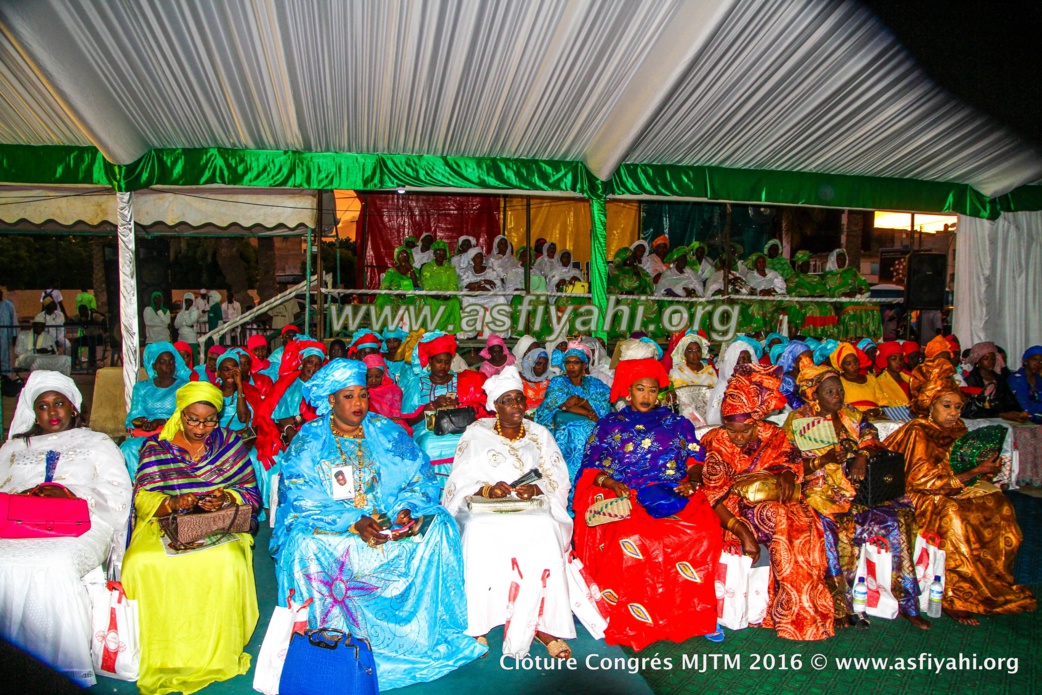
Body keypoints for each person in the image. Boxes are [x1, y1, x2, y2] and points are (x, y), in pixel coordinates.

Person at [272, 359, 485, 688]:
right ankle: (334, 646)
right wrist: (353, 523)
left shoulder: (387, 432)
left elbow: (419, 477)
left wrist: (407, 509)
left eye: (363, 396)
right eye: (348, 397)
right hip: (334, 528)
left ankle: (426, 634)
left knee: (438, 523)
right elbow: (302, 496)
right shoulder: (309, 440)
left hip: (386, 520)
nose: (358, 404)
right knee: (305, 546)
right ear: (331, 399)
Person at [574, 358, 723, 649]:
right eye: (640, 389)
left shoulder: (677, 423)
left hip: (672, 494)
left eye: (652, 390)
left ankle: (696, 616)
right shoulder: (609, 425)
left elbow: (695, 458)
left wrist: (692, 481)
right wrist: (612, 484)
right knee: (635, 539)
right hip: (625, 497)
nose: (646, 396)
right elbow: (591, 467)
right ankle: (635, 620)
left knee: (701, 534)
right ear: (628, 391)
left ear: (660, 393)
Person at [123, 382, 261, 695]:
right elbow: (144, 498)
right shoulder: (157, 447)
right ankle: (159, 651)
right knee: (140, 562)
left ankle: (216, 652)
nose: (201, 428)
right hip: (165, 521)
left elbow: (251, 493)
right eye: (193, 419)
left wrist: (225, 497)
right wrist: (173, 502)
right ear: (180, 414)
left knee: (226, 561)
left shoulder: (230, 444)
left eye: (210, 420)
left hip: (218, 524)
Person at [0, 371, 132, 686]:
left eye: (59, 403)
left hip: (82, 521)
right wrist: (24, 495)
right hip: (18, 522)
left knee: (55, 562)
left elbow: (118, 492)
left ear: (73, 407)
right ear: (34, 412)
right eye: (43, 406)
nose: (52, 412)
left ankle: (61, 666)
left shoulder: (97, 442)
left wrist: (72, 494)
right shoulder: (13, 448)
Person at [883, 358, 1036, 624]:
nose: (953, 413)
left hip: (958, 486)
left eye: (957, 407)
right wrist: (970, 475)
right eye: (946, 406)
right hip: (926, 497)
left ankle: (992, 583)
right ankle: (954, 594)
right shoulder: (919, 431)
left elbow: (971, 466)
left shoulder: (959, 429)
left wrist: (985, 469)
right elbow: (921, 481)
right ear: (930, 405)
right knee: (954, 515)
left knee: (1000, 504)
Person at [444, 366, 576, 658]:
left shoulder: (539, 433)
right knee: (478, 531)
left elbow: (558, 477)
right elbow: (460, 480)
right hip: (485, 510)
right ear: (495, 406)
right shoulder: (476, 433)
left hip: (531, 508)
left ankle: (543, 625)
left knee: (544, 529)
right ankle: (477, 623)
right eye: (507, 400)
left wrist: (539, 489)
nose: (516, 405)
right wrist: (487, 489)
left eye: (519, 399)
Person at [783, 364, 927, 629]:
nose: (837, 395)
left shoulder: (851, 414)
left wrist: (862, 454)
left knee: (897, 520)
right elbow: (789, 464)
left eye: (839, 389)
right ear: (814, 394)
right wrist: (824, 460)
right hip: (821, 492)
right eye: (830, 391)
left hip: (860, 491)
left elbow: (871, 435)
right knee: (831, 530)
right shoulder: (799, 420)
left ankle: (907, 602)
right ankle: (839, 605)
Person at [701, 364, 835, 641]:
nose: (737, 438)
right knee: (782, 518)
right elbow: (713, 496)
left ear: (756, 421)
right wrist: (742, 532)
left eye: (745, 430)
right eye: (731, 429)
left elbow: (790, 460)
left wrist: (786, 472)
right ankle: (787, 612)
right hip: (733, 508)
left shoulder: (772, 435)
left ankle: (804, 609)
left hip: (767, 496)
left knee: (805, 518)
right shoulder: (718, 442)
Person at [401, 332, 489, 489]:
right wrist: (432, 405)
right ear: (430, 361)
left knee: (471, 441)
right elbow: (408, 418)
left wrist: (460, 404)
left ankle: (463, 490)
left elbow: (479, 409)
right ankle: (436, 492)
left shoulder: (463, 380)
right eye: (439, 361)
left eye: (447, 362)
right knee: (429, 444)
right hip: (427, 433)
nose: (443, 366)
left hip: (459, 429)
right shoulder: (418, 383)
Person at [533, 341, 611, 491]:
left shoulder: (595, 384)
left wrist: (579, 402)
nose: (571, 366)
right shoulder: (558, 382)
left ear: (584, 365)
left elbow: (604, 405)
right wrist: (587, 410)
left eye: (576, 363)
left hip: (591, 437)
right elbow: (555, 404)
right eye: (568, 362)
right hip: (565, 436)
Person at [121, 342, 193, 477]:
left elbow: (187, 415)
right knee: (128, 448)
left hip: (175, 433)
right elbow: (135, 414)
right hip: (148, 433)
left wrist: (161, 422)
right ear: (154, 366)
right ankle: (138, 486)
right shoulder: (142, 387)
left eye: (172, 361)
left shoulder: (185, 386)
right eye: (163, 362)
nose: (169, 365)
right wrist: (144, 422)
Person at [961, 342, 1027, 421]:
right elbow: (971, 410)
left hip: (1002, 419)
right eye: (986, 358)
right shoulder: (970, 381)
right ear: (978, 361)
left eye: (993, 358)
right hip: (980, 421)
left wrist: (1020, 412)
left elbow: (1010, 401)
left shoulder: (1000, 379)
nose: (991, 361)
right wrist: (1001, 415)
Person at [704, 338, 760, 426]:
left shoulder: (757, 384)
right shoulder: (723, 388)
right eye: (742, 358)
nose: (746, 362)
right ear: (733, 361)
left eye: (748, 358)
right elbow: (712, 420)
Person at [458, 248, 507, 338]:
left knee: (501, 299)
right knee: (465, 299)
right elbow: (465, 286)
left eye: (481, 257)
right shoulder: (468, 271)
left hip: (489, 297)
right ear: (472, 259)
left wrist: (477, 286)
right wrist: (482, 283)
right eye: (477, 257)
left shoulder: (490, 270)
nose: (479, 259)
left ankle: (500, 333)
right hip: (474, 298)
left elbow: (497, 286)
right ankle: (469, 332)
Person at [669, 333, 717, 426]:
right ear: (684, 353)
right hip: (685, 420)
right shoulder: (675, 373)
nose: (695, 354)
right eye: (690, 351)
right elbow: (671, 400)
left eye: (698, 350)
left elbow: (716, 397)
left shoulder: (710, 371)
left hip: (709, 418)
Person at [785, 251, 835, 338]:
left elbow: (824, 291)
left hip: (817, 300)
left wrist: (817, 296)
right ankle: (809, 335)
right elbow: (791, 292)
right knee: (810, 309)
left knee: (828, 307)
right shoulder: (793, 278)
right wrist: (806, 297)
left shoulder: (815, 278)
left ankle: (827, 335)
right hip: (802, 302)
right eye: (805, 264)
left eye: (808, 264)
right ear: (799, 265)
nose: (807, 267)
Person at [831, 342, 889, 414]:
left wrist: (879, 412)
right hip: (852, 419)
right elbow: (839, 407)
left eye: (855, 361)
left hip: (875, 417)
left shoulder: (871, 379)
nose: (854, 365)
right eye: (848, 364)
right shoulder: (838, 381)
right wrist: (863, 414)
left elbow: (883, 403)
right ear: (841, 367)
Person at [418, 240, 462, 333]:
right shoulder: (427, 267)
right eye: (438, 252)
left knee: (455, 302)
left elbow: (453, 283)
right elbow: (426, 283)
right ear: (434, 254)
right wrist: (435, 294)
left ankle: (451, 332)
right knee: (429, 302)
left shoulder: (450, 268)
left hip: (447, 296)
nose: (440, 254)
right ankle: (431, 331)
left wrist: (449, 294)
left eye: (443, 252)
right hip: (432, 296)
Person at [362, 353, 408, 431]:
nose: (373, 380)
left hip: (392, 426)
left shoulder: (394, 391)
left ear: (383, 376)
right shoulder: (362, 392)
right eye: (369, 377)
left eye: (377, 376)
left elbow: (398, 418)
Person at [376, 245, 419, 321]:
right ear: (397, 257)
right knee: (382, 299)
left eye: (406, 255)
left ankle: (416, 328)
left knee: (421, 300)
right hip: (394, 296)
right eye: (401, 255)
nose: (404, 257)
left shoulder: (415, 270)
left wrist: (411, 269)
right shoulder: (391, 271)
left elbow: (416, 284)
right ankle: (386, 327)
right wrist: (397, 293)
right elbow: (384, 287)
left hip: (410, 296)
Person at [1007, 345, 1042, 422]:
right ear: (1025, 361)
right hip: (1022, 420)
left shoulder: (1039, 379)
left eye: (1041, 361)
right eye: (1034, 360)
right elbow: (1025, 407)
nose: (1038, 364)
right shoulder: (1016, 379)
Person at [776, 339, 813, 410]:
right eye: (803, 359)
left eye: (811, 358)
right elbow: (795, 406)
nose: (809, 362)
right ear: (794, 362)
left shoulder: (810, 376)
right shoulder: (786, 381)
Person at [875, 341, 910, 406]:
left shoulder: (909, 378)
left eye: (901, 358)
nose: (898, 362)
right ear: (885, 360)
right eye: (894, 359)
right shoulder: (879, 382)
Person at [519, 346, 551, 411]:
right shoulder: (519, 379)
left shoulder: (551, 379)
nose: (542, 368)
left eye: (545, 365)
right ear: (531, 363)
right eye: (538, 364)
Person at [174, 291, 201, 362]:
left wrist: (186, 312)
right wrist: (183, 322)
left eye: (190, 301)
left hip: (191, 338)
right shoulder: (180, 313)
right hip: (181, 337)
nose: (188, 303)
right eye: (186, 301)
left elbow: (189, 322)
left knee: (192, 357)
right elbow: (176, 325)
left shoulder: (196, 312)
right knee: (181, 358)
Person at [0, 288, 18, 374]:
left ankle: (5, 375)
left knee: (5, 355)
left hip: (5, 335)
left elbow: (13, 320)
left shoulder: (8, 305)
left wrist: (15, 335)